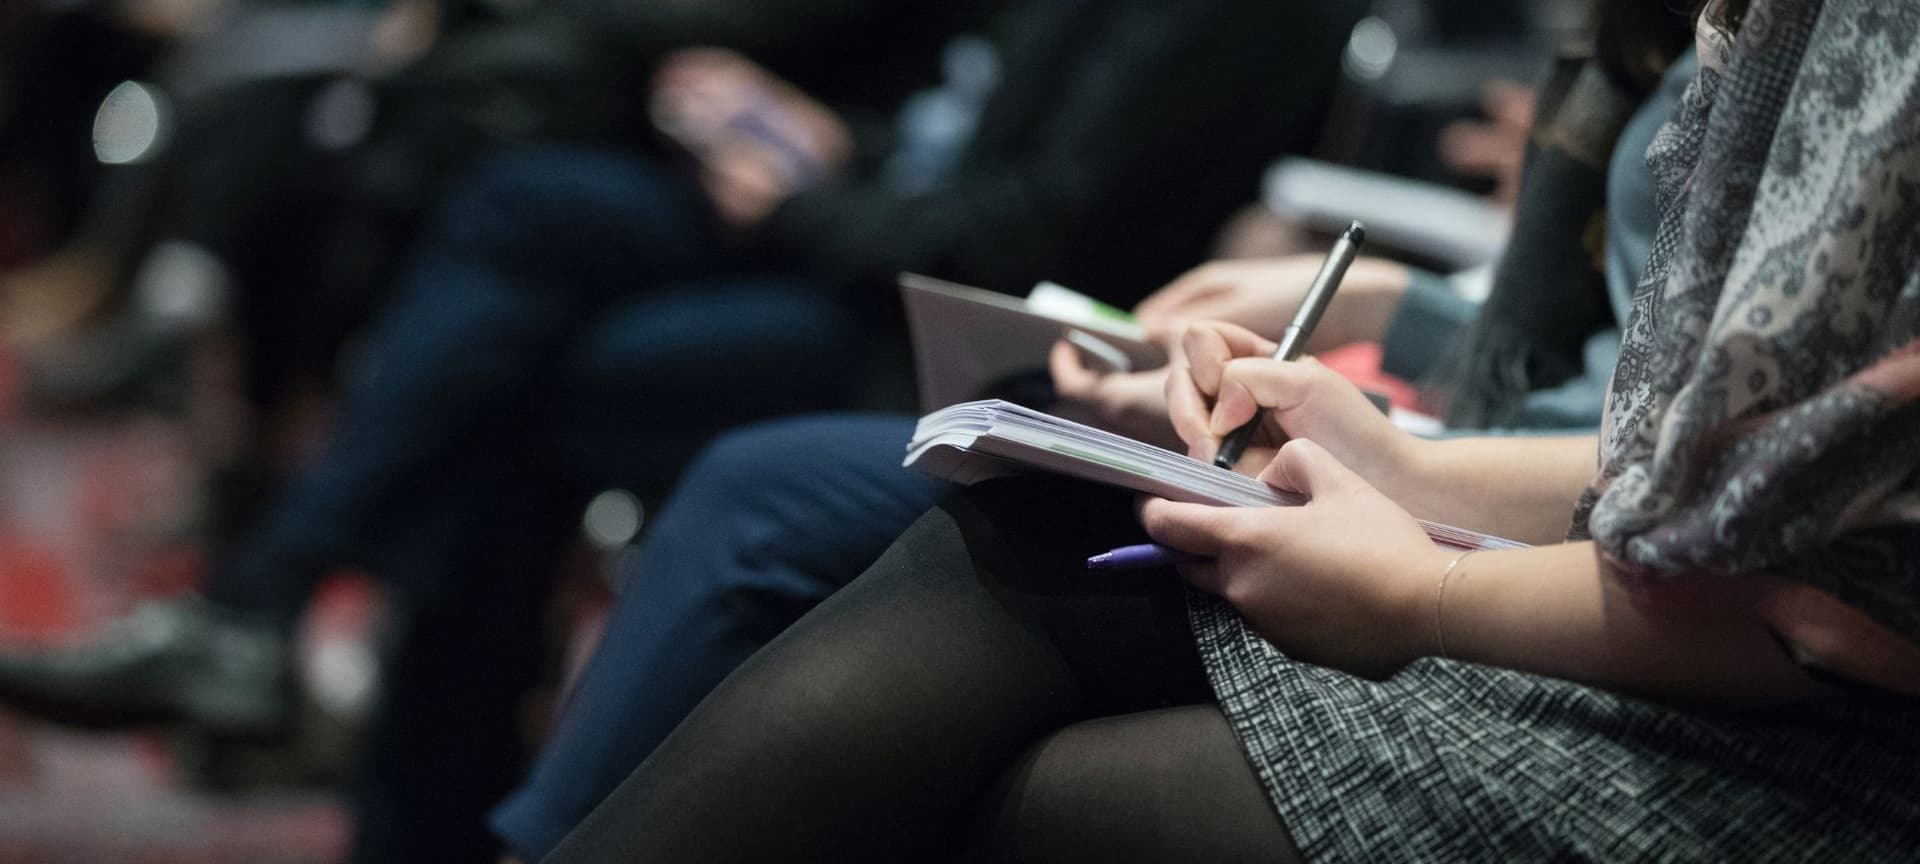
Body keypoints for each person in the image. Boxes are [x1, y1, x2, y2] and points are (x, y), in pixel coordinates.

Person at [544, 0, 1920, 859]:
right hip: (1617, 562)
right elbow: (1687, 453)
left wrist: (1427, 581)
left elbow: (1811, 583)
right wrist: (1397, 455)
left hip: (1812, 753)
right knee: (997, 526)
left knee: (997, 760)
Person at [0, 1, 1367, 860]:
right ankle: (300, 656)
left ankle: (324, 686)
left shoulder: (1223, 21)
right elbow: (938, 120)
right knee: (515, 209)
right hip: (862, 233)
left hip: (980, 330)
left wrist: (796, 197)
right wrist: (813, 141)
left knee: (536, 384)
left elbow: (1021, 237)